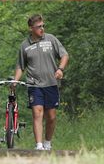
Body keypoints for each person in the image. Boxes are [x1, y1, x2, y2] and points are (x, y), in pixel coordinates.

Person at [13, 14, 69, 151]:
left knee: (51, 116)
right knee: (37, 113)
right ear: (31, 28)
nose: (42, 29)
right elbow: (21, 66)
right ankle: (38, 145)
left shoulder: (51, 39)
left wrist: (60, 69)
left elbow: (64, 55)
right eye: (39, 27)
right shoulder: (25, 46)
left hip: (51, 83)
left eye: (43, 26)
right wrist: (15, 80)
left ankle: (47, 142)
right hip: (34, 84)